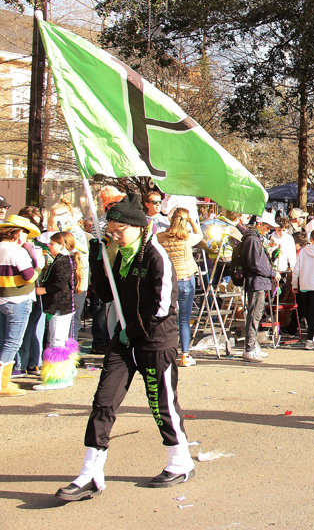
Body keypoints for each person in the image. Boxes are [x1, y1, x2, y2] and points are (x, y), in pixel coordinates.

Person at [55, 193, 194, 501]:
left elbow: (161, 307)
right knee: (103, 401)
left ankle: (179, 460)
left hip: (155, 341)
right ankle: (90, 472)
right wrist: (96, 254)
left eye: (120, 230)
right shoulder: (117, 253)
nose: (115, 235)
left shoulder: (156, 254)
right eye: (111, 230)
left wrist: (131, 331)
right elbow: (106, 295)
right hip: (124, 340)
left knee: (162, 404)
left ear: (137, 226)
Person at [33, 232, 83, 390]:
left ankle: (57, 380)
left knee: (56, 342)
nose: (49, 247)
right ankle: (65, 375)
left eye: (52, 244)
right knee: (60, 340)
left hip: (60, 306)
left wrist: (43, 290)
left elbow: (59, 285)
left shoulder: (63, 261)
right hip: (64, 305)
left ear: (62, 245)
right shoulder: (65, 260)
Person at [156, 208, 203, 367]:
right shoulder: (187, 238)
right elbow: (200, 234)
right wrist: (191, 221)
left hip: (169, 279)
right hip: (185, 279)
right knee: (184, 319)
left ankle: (164, 351)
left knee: (166, 317)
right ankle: (184, 354)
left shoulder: (160, 237)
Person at [0, 215, 41, 397]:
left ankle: (4, 380)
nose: (26, 238)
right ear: (17, 233)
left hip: (2, 299)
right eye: (25, 234)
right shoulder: (17, 251)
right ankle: (2, 384)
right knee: (13, 342)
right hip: (18, 299)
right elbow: (28, 275)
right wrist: (39, 267)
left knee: (4, 341)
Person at [240, 212, 280, 363]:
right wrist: (271, 272)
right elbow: (255, 264)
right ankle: (249, 348)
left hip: (260, 280)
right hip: (256, 280)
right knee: (253, 314)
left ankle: (252, 345)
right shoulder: (252, 239)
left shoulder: (257, 239)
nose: (269, 230)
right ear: (259, 224)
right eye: (267, 226)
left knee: (257, 314)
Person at [47, 199, 89, 340]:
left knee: (71, 320)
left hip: (75, 283)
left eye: (56, 215)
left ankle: (70, 352)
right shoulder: (62, 230)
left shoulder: (72, 231)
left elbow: (74, 255)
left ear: (66, 214)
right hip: (67, 283)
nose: (53, 218)